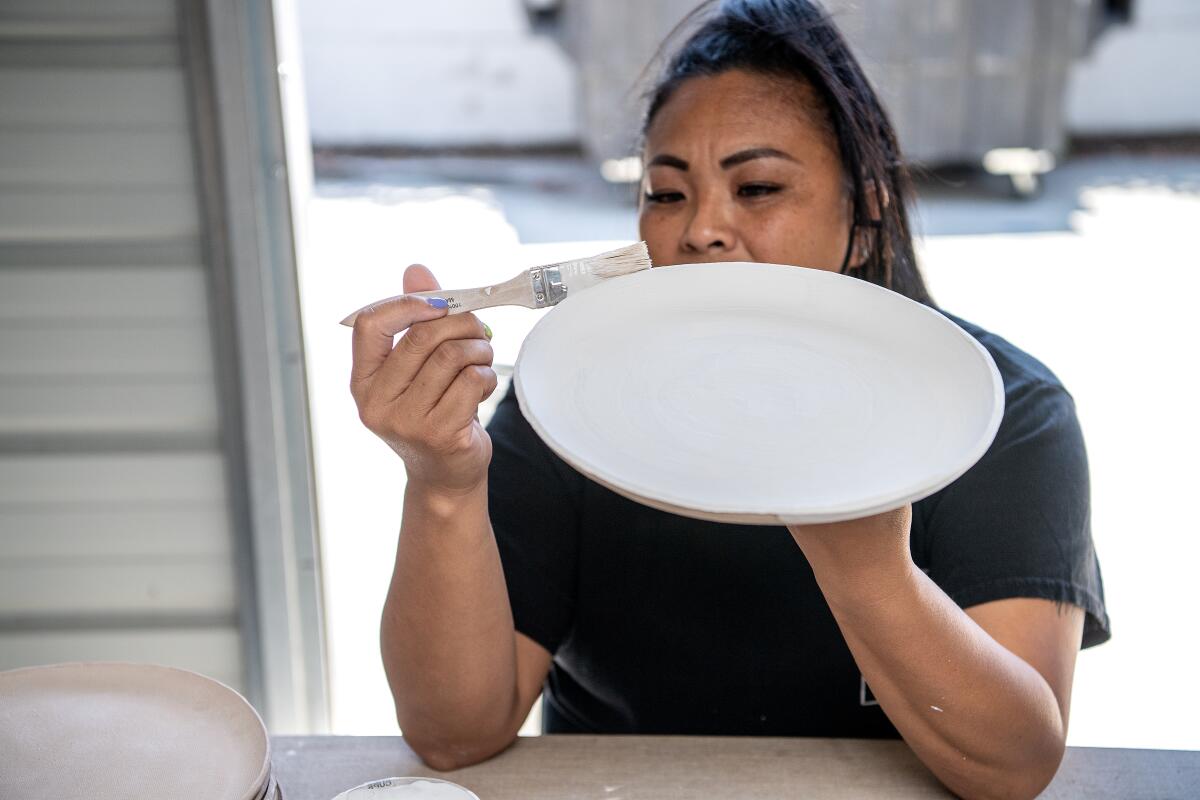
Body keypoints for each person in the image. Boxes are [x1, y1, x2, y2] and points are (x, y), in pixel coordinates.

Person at [348, 1, 1109, 797]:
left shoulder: (1003, 414)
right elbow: (453, 736)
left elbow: (1016, 764)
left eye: (758, 186)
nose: (702, 229)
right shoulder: (571, 400)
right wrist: (442, 481)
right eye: (666, 193)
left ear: (865, 209)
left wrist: (870, 568)